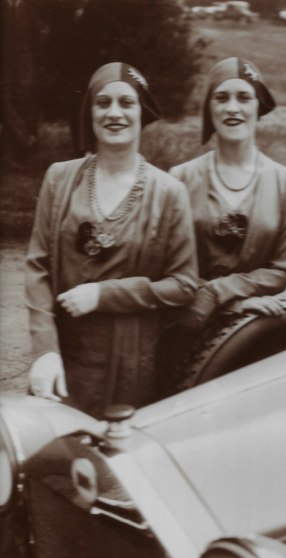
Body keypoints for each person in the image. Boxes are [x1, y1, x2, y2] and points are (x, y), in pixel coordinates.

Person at [25, 62, 198, 418]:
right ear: (89, 112)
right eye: (103, 103)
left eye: (126, 103)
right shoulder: (60, 179)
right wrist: (44, 350)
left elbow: (183, 285)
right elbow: (37, 267)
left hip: (131, 364)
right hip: (62, 360)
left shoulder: (169, 192)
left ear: (142, 111)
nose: (114, 113)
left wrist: (104, 295)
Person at [168, 56, 286, 332]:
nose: (232, 108)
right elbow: (168, 266)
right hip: (184, 320)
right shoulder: (180, 179)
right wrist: (231, 304)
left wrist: (223, 291)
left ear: (259, 105)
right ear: (209, 108)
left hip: (249, 329)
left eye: (244, 97)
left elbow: (280, 270)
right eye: (221, 98)